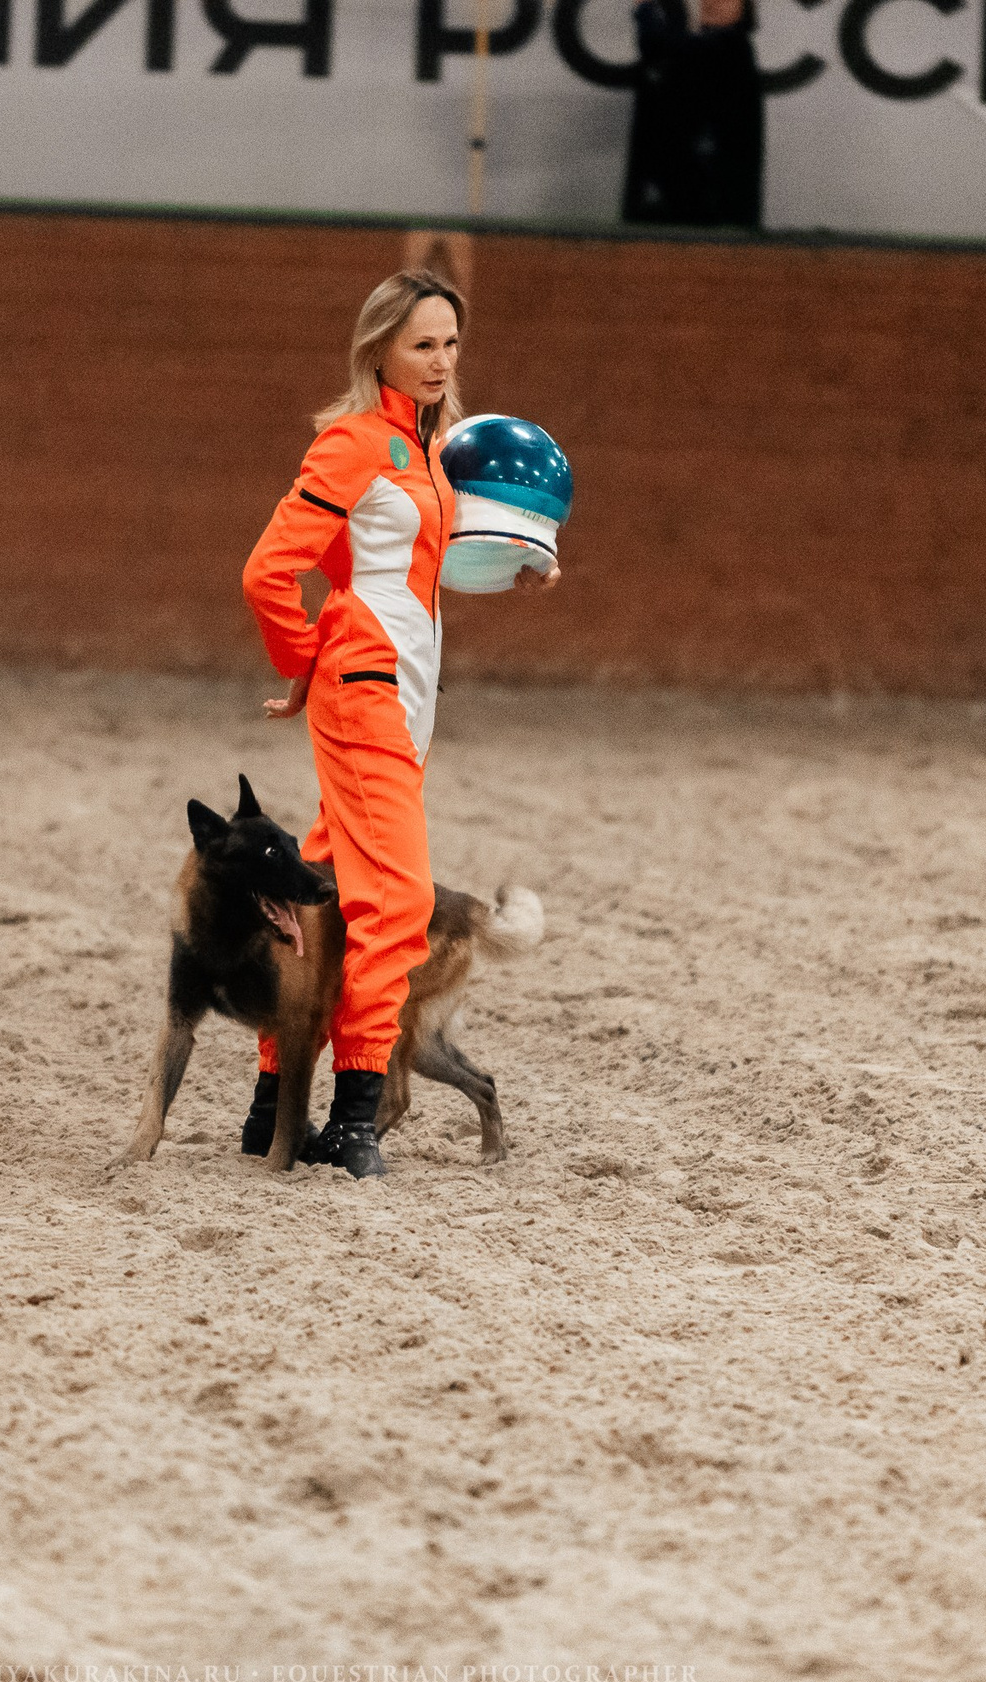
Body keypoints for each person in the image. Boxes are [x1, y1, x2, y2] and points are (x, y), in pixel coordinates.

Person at [239, 270, 559, 1178]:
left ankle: (271, 1104)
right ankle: (354, 1117)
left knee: (324, 890)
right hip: (370, 683)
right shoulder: (351, 442)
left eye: (451, 343)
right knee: (400, 899)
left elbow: (409, 564)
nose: (441, 360)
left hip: (406, 687)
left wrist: (517, 568)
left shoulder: (426, 447)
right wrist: (305, 660)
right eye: (422, 344)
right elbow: (269, 572)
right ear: (378, 346)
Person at [621, 0, 764, 228]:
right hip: (709, 201)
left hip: (712, 206)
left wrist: (646, 9)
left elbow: (658, 46)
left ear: (744, 8)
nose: (712, 2)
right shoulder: (718, 47)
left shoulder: (729, 46)